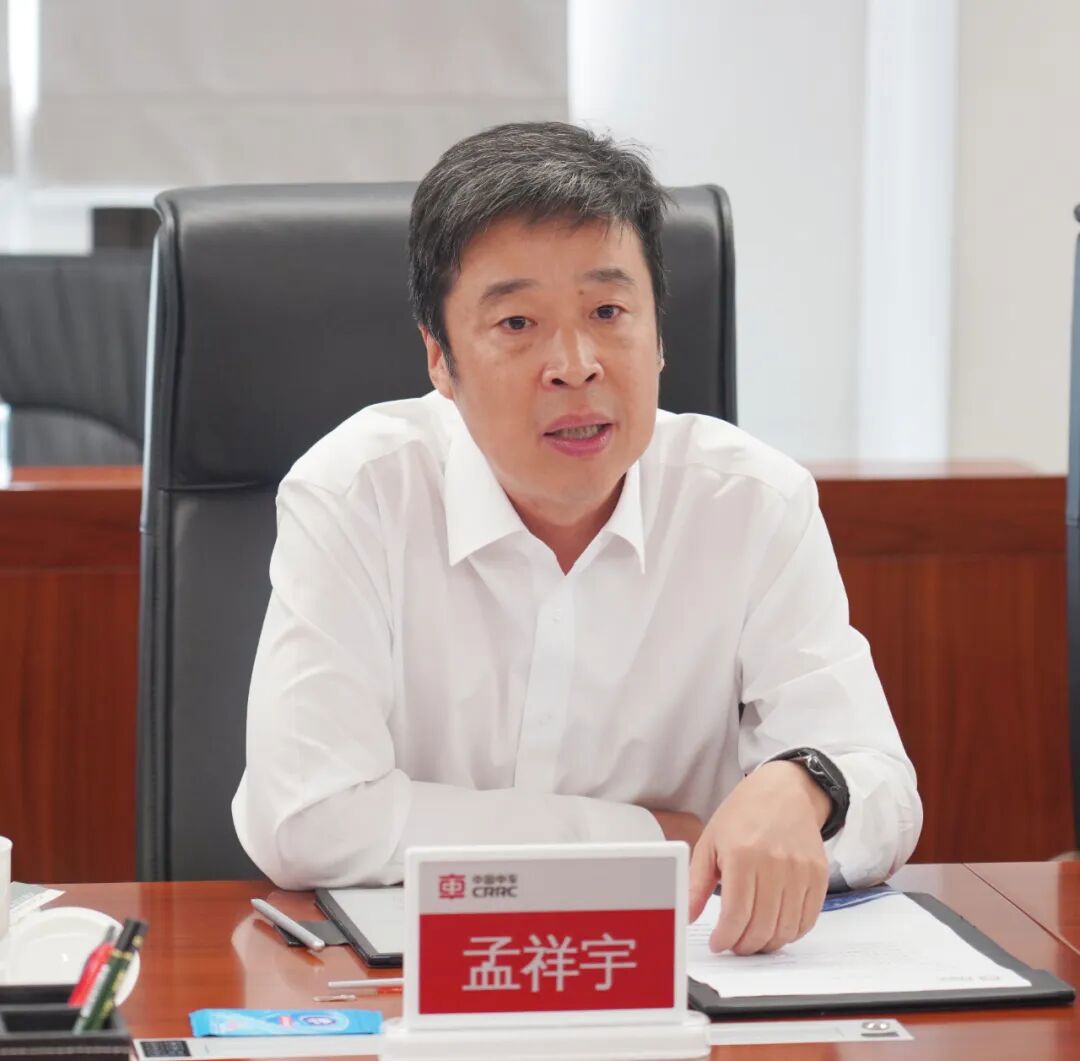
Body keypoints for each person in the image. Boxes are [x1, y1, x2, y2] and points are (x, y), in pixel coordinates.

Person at [232, 121, 921, 956]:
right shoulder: (356, 495)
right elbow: (304, 815)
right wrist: (648, 838)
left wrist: (807, 786)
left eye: (608, 311)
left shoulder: (752, 503)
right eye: (518, 322)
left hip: (683, 983)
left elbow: (883, 789)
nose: (574, 363)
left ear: (658, 336)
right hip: (411, 985)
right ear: (439, 358)